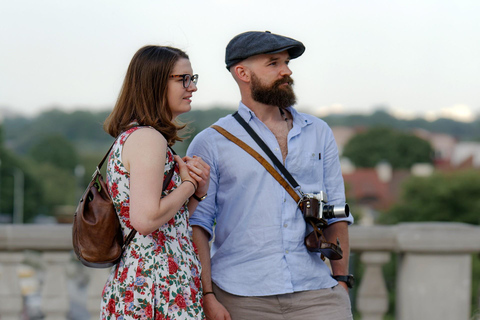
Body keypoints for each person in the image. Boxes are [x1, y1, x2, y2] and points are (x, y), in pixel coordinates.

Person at [187, 31, 354, 319]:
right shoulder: (211, 141)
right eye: (274, 63)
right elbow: (198, 224)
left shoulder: (318, 132)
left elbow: (336, 213)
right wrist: (207, 295)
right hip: (240, 296)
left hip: (317, 293)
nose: (286, 71)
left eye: (287, 62)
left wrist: (341, 281)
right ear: (243, 73)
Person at [100, 45, 210, 320]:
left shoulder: (135, 136)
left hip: (149, 280)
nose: (192, 87)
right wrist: (188, 186)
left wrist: (195, 195)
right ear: (154, 82)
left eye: (192, 78)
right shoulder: (149, 139)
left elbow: (167, 224)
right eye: (182, 79)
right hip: (155, 284)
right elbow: (146, 221)